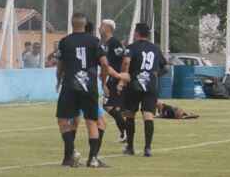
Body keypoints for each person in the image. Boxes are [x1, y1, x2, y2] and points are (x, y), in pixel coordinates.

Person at [55, 13, 121, 168]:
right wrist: (103, 81)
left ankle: (71, 153)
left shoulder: (65, 41)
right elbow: (104, 64)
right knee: (92, 122)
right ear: (85, 25)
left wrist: (58, 80)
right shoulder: (95, 41)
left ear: (72, 24)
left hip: (70, 85)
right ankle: (92, 159)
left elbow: (60, 64)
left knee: (63, 119)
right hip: (89, 86)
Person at [118, 22, 167, 157]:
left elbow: (126, 62)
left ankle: (130, 147)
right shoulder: (155, 48)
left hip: (134, 84)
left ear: (137, 33)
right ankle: (148, 148)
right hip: (151, 84)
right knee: (148, 115)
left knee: (130, 115)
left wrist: (123, 77)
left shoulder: (131, 47)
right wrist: (154, 75)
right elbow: (165, 67)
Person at [99, 19, 129, 143]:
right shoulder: (105, 43)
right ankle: (125, 132)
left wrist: (121, 79)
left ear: (107, 28)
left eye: (101, 26)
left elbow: (124, 60)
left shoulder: (114, 43)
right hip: (110, 79)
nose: (99, 28)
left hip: (115, 79)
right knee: (111, 107)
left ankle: (126, 131)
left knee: (109, 106)